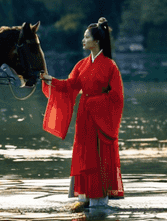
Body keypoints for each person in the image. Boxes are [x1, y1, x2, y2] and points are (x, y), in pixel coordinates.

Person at [41, 17, 124, 208]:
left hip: (100, 119)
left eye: (86, 37)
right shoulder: (81, 65)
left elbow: (117, 97)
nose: (83, 40)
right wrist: (50, 79)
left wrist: (94, 102)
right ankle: (84, 196)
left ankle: (99, 200)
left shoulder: (110, 66)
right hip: (84, 118)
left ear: (96, 41)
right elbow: (70, 85)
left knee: (99, 156)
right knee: (84, 155)